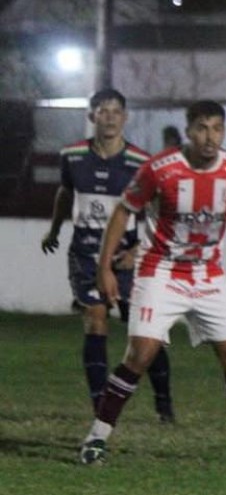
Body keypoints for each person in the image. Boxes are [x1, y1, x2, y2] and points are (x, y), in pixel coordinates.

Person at [78, 100, 226, 468]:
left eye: (217, 129)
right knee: (140, 354)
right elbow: (123, 210)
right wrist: (105, 267)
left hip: (208, 274)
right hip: (160, 271)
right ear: (188, 131)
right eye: (202, 128)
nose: (210, 137)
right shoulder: (161, 169)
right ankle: (96, 439)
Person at [41, 88, 175, 422]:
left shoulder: (141, 163)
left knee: (144, 331)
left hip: (126, 257)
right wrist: (54, 230)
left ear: (125, 117)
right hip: (85, 253)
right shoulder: (72, 155)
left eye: (116, 111)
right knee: (95, 316)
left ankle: (164, 401)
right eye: (103, 111)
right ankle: (101, 407)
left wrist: (138, 250)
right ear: (92, 116)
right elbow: (65, 192)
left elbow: (159, 211)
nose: (110, 117)